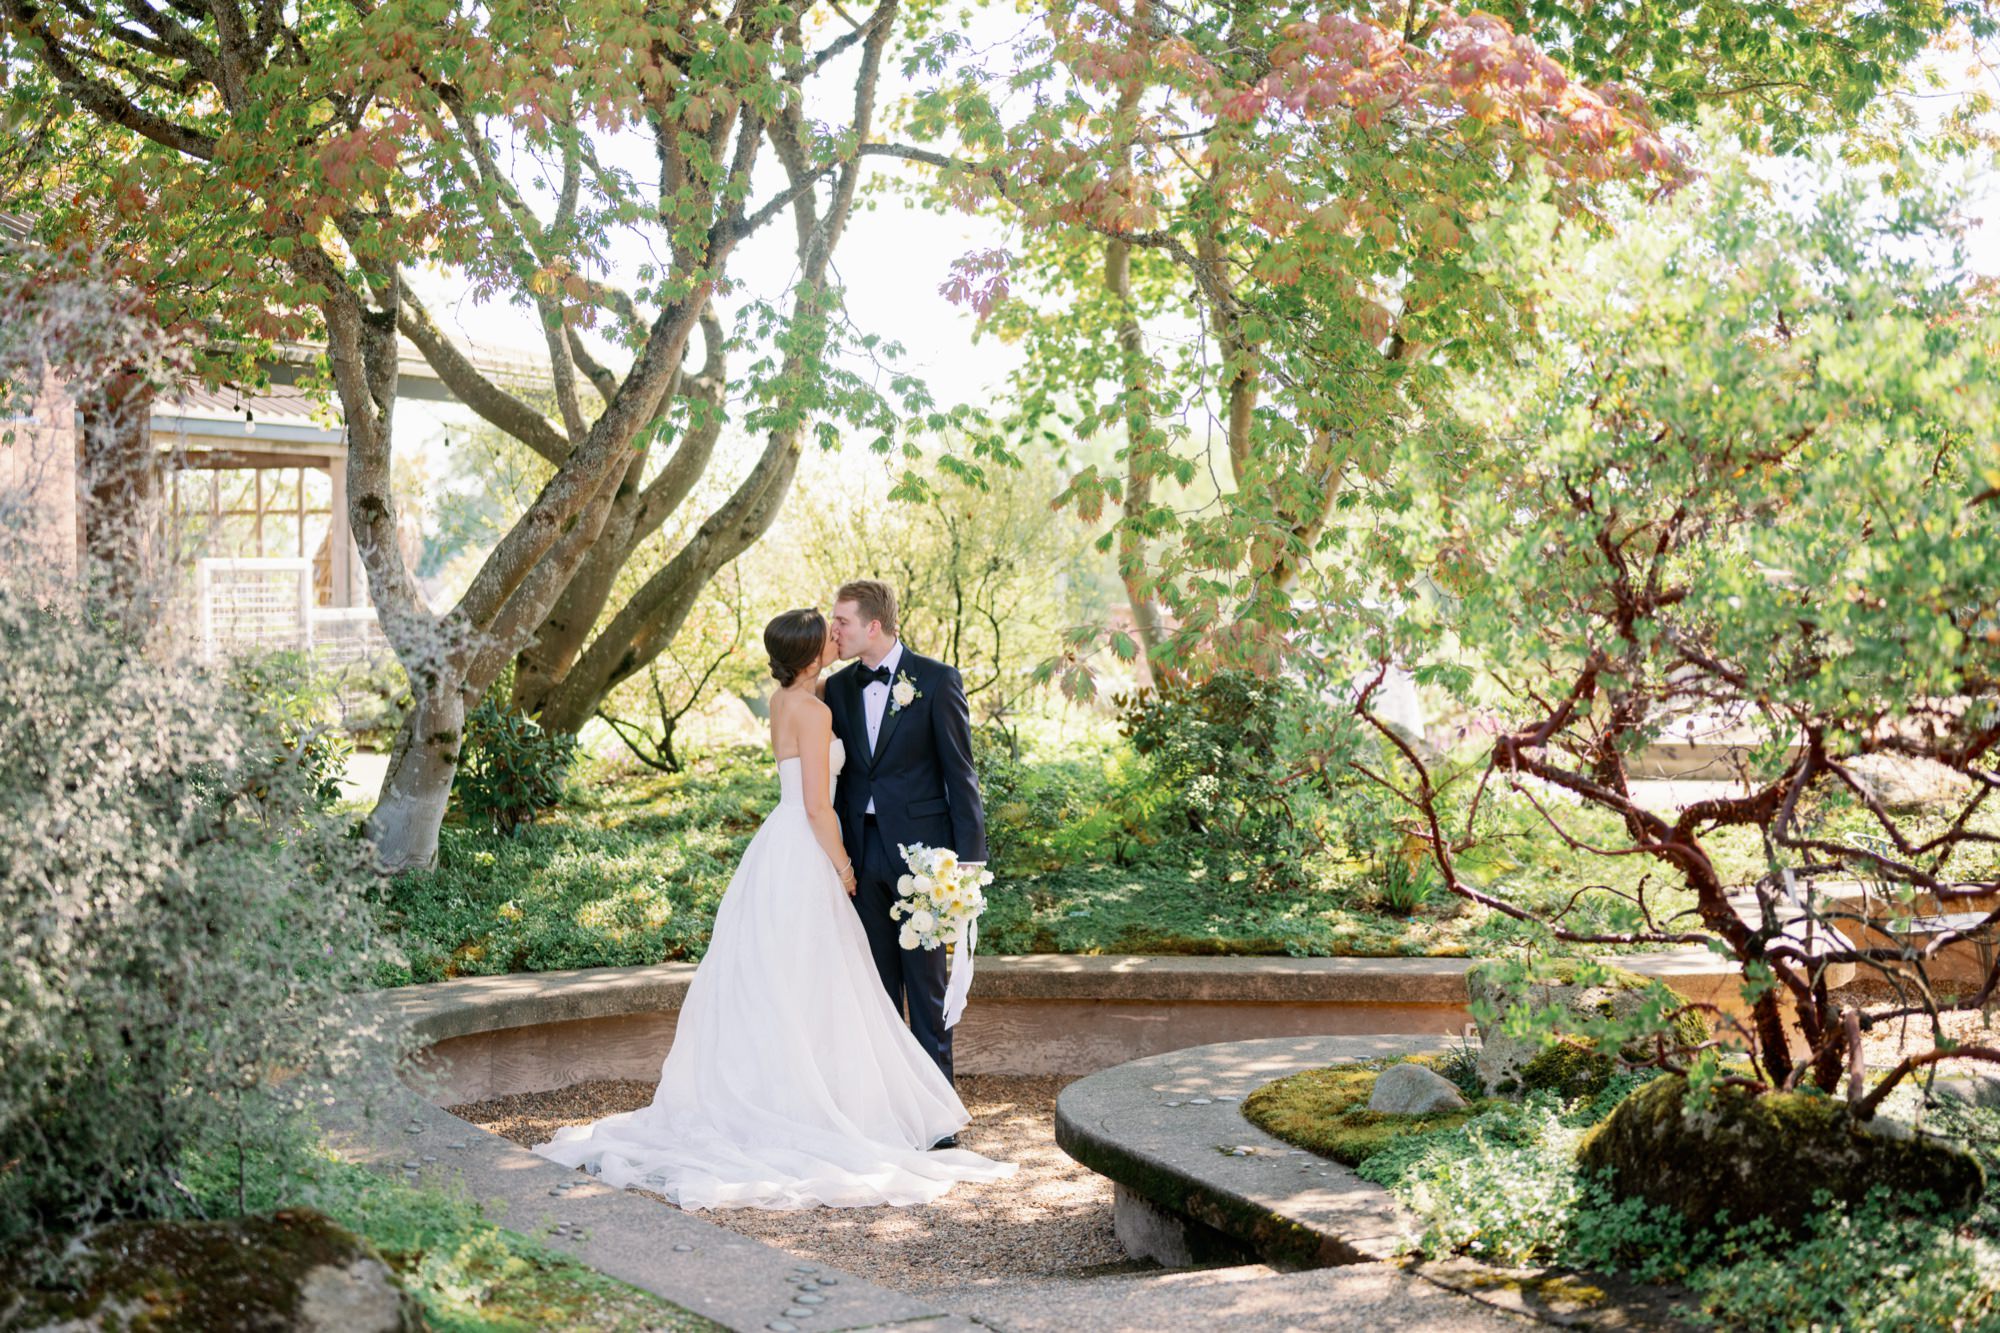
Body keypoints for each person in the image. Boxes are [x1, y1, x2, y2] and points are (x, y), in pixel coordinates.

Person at [531, 607, 1013, 1209]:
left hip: (781, 847)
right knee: (821, 984)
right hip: (810, 848)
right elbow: (818, 807)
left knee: (793, 984)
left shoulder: (786, 700)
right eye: (827, 633)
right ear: (813, 655)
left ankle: (831, 1098)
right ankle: (822, 1108)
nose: (836, 636)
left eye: (842, 624)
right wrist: (843, 868)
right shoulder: (814, 707)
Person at [824, 581, 985, 1108]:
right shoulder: (840, 687)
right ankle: (890, 1112)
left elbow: (960, 778)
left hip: (926, 861)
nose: (834, 630)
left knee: (927, 991)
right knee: (876, 991)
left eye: (842, 621)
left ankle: (937, 1112)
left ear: (873, 625)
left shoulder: (937, 681)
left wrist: (968, 865)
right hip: (860, 857)